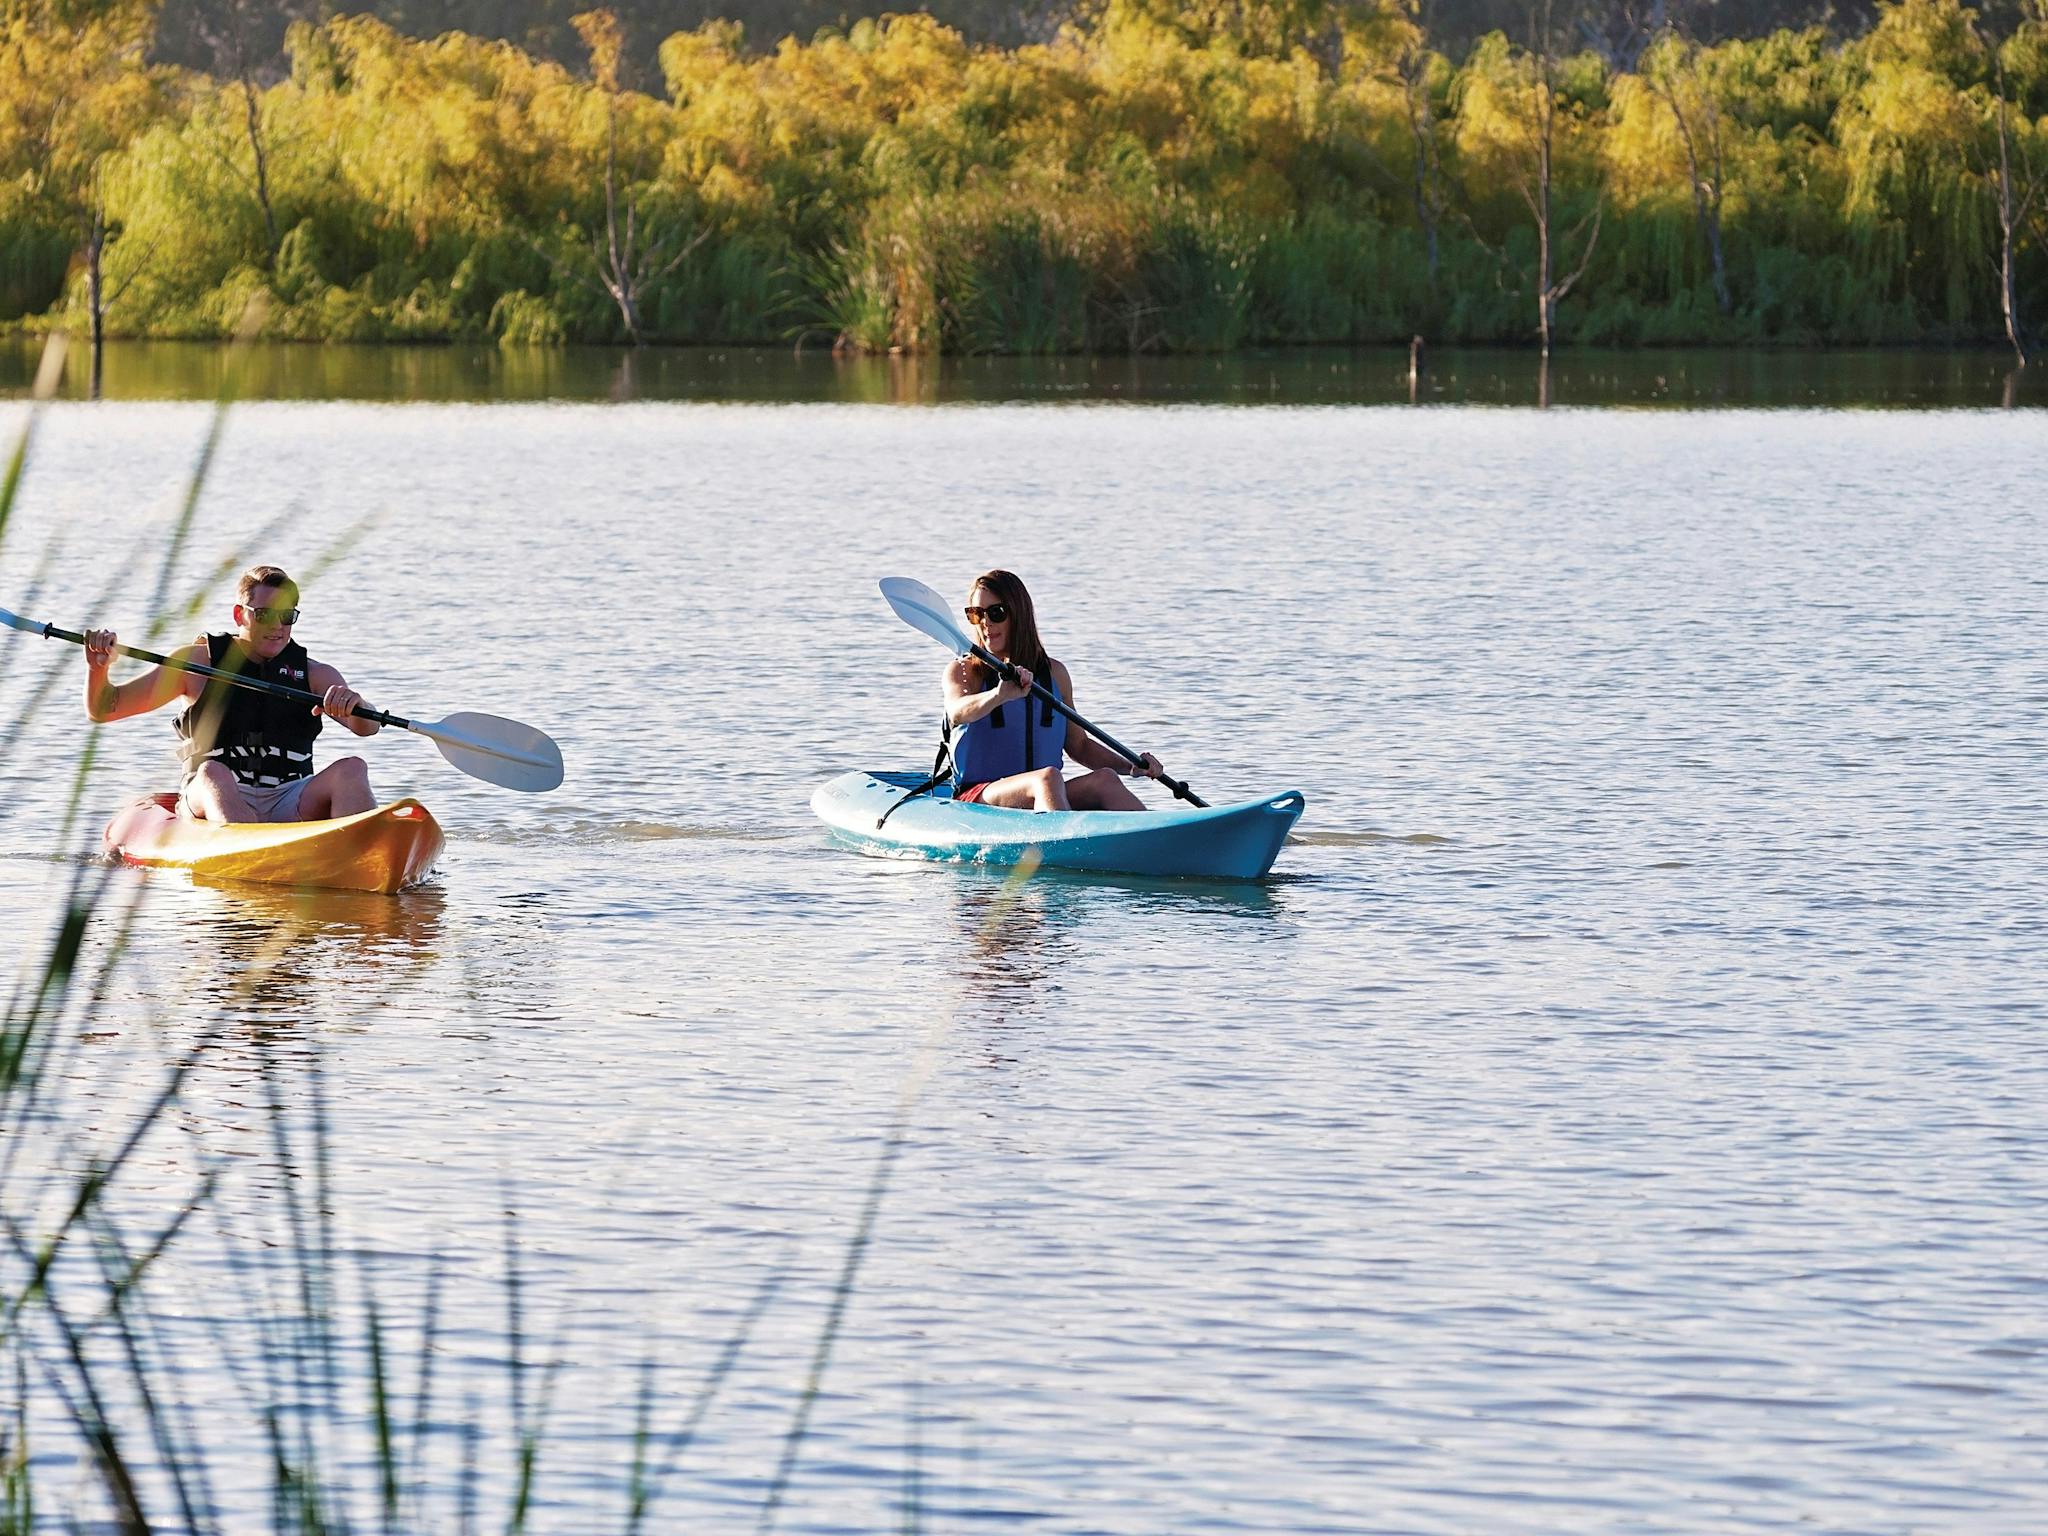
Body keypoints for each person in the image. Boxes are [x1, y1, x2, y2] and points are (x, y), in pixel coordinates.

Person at [82, 564, 381, 823]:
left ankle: (366, 859)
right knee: (214, 772)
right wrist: (99, 670)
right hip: (212, 794)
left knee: (353, 769)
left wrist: (356, 704)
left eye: (287, 616)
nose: (277, 626)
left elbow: (367, 727)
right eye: (264, 614)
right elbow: (106, 708)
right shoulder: (196, 663)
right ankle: (247, 851)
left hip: (288, 796)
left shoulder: (316, 674)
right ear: (240, 615)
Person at [942, 569, 1165, 811]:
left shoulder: (1055, 674)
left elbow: (1079, 746)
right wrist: (999, 695)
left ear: (1019, 615)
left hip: (1043, 793)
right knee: (1047, 778)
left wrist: (1131, 766)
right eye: (977, 614)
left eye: (996, 613)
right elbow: (957, 711)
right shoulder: (964, 671)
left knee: (1105, 779)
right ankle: (1066, 845)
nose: (986, 623)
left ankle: (1163, 842)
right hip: (979, 797)